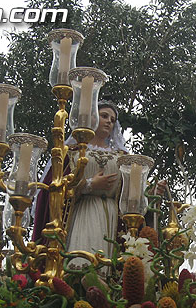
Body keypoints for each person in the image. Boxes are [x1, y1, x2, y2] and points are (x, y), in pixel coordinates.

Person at [32, 101, 127, 265]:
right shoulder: (73, 152)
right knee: (81, 260)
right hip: (83, 212)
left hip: (111, 218)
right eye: (104, 116)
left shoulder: (122, 157)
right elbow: (54, 187)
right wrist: (89, 184)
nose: (109, 122)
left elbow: (133, 191)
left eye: (112, 119)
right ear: (91, 118)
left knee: (109, 265)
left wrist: (154, 191)